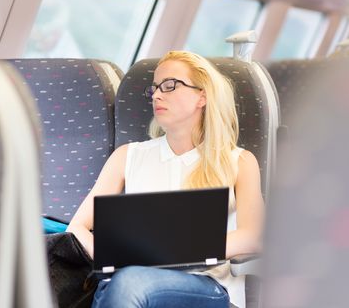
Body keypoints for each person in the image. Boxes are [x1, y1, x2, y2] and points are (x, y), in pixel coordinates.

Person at [67, 50, 264, 308]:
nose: (158, 94)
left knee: (129, 283)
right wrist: (110, 257)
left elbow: (254, 236)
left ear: (202, 96)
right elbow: (76, 228)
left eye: (170, 85)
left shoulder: (239, 161)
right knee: (120, 282)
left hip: (205, 286)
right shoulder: (127, 156)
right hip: (128, 278)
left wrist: (175, 248)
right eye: (155, 88)